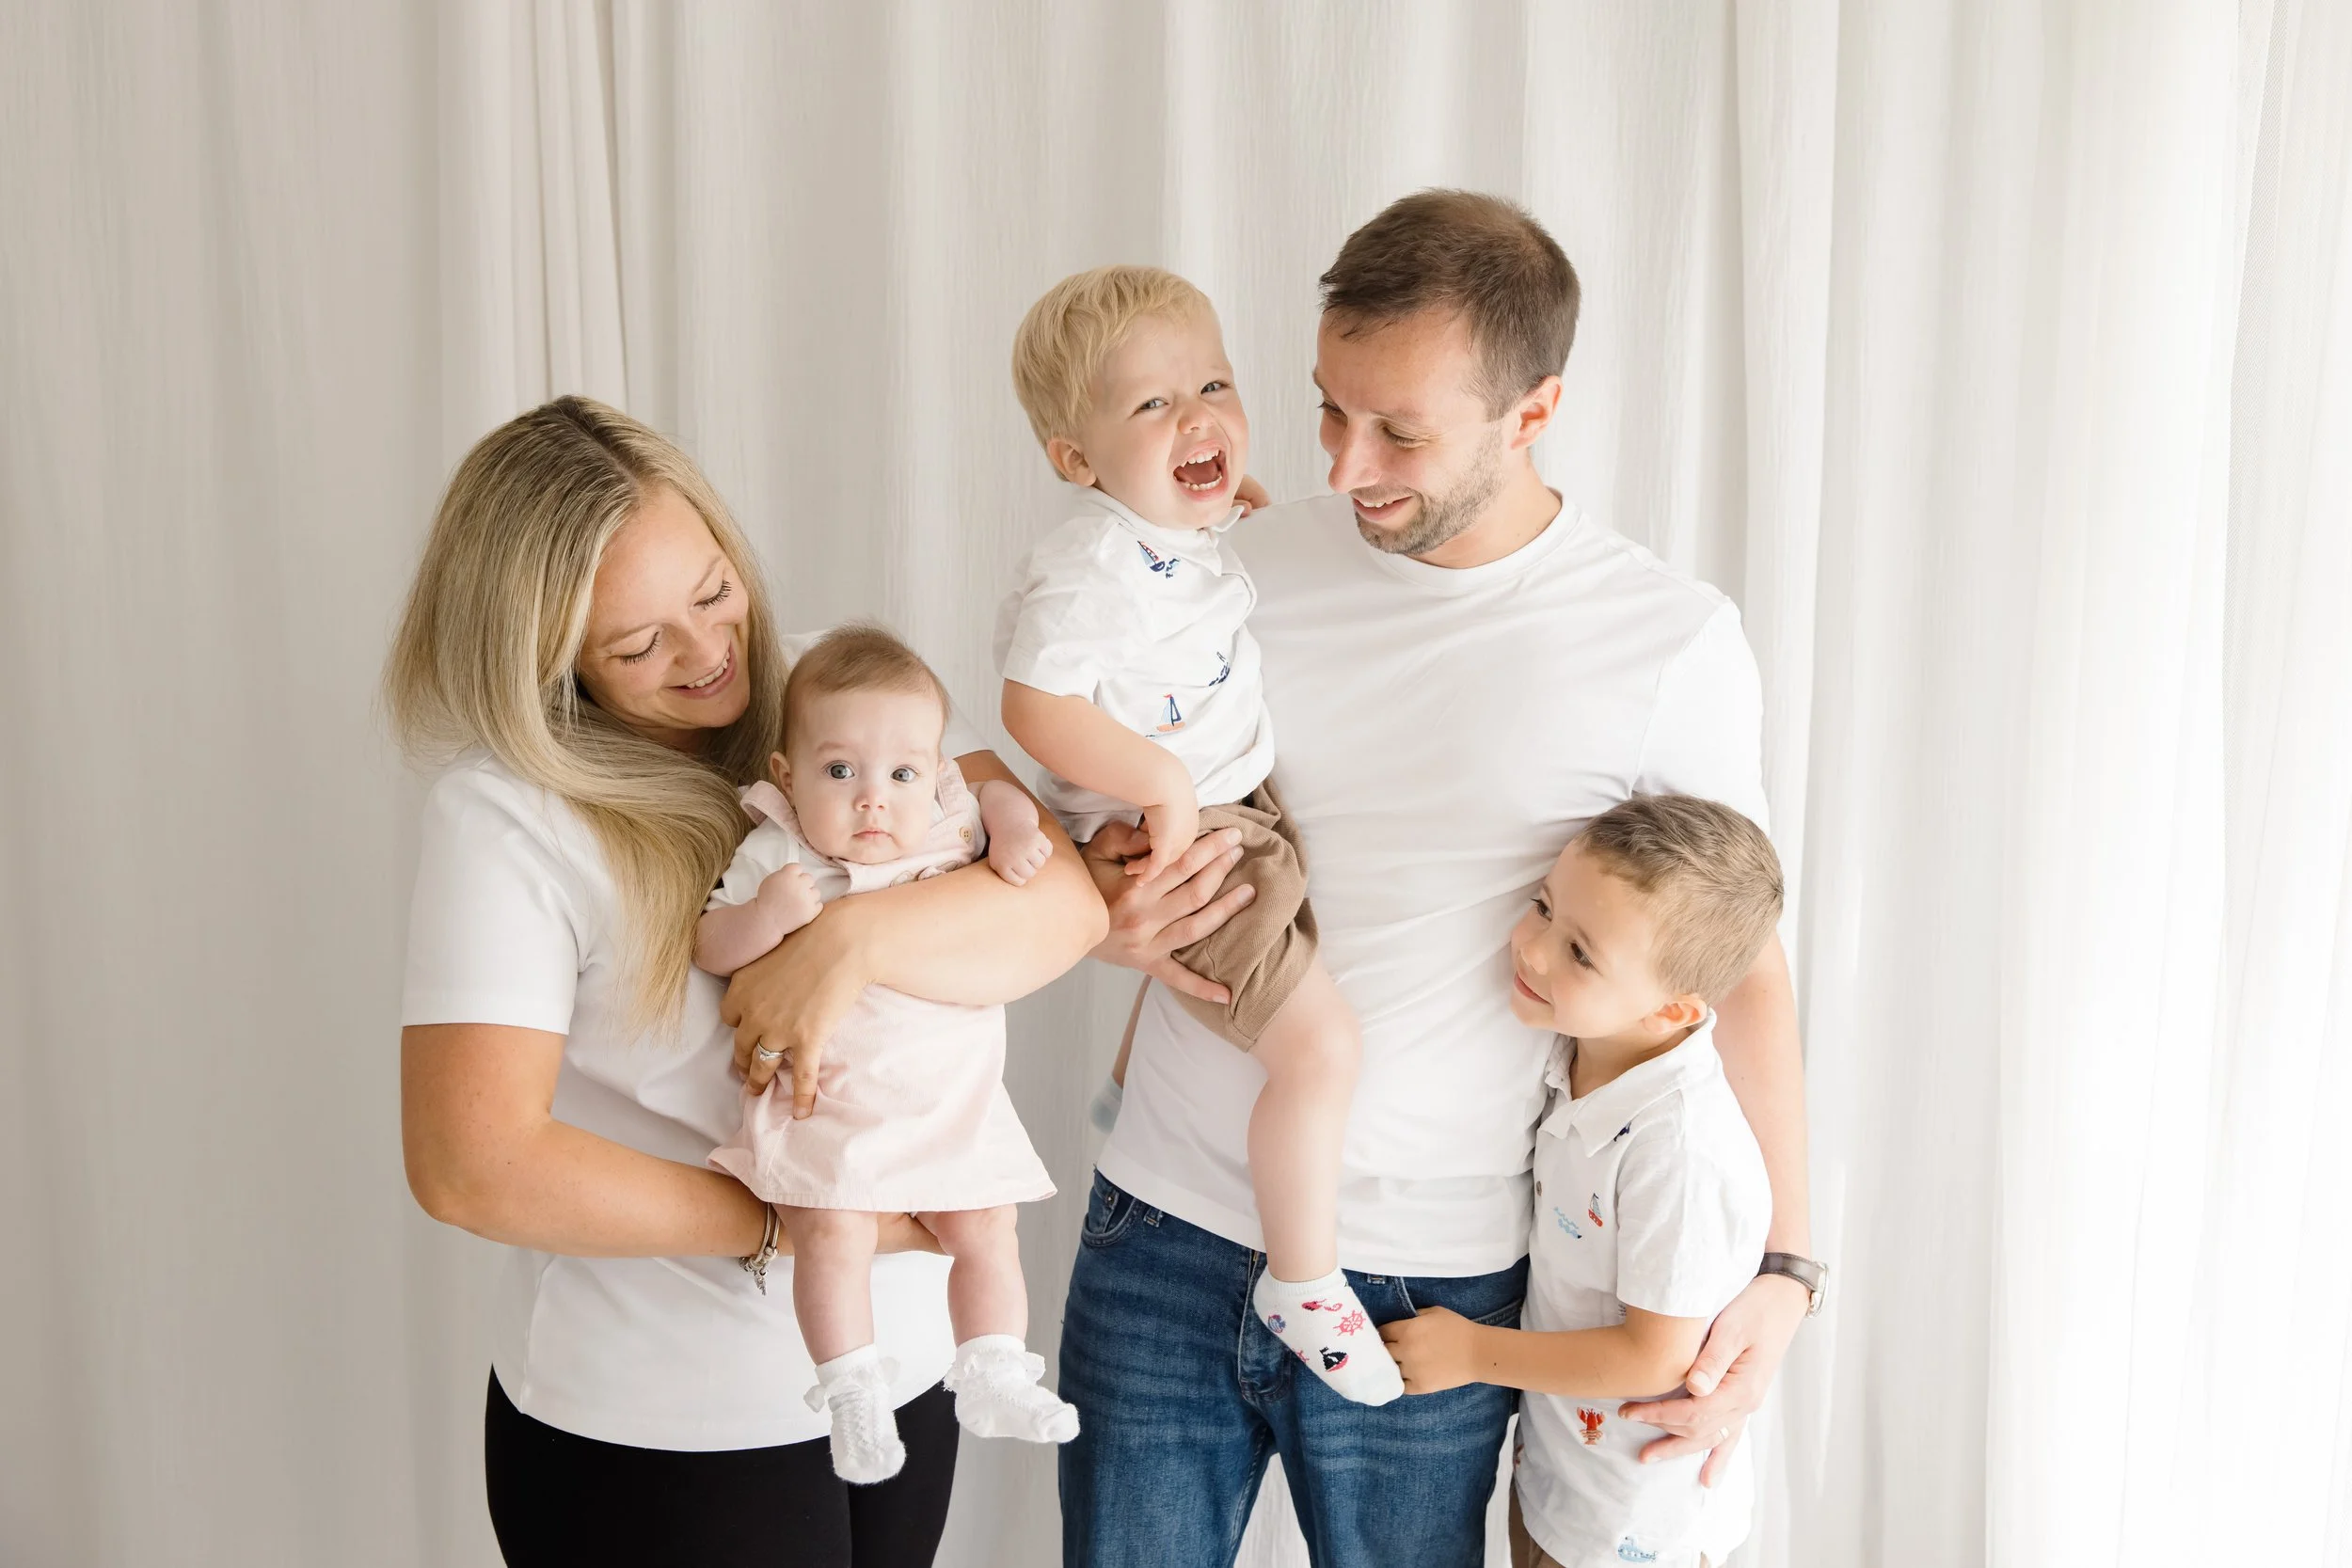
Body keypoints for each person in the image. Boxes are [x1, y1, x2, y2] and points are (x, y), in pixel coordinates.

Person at [1059, 190, 1823, 1568]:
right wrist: (1108, 895)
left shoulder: (1666, 643)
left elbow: (1742, 967)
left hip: (1436, 1268)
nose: (1347, 468)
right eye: (1327, 410)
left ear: (1534, 410)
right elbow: (1127, 806)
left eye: (1401, 430)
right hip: (1162, 1221)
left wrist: (1786, 1268)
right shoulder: (1235, 566)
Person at [388, 397, 1104, 1568]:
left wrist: (846, 947)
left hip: (907, 1366)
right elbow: (471, 1162)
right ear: (548, 656)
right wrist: (806, 1221)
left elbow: (1062, 908)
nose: (708, 652)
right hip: (663, 1429)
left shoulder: (840, 695)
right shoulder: (507, 815)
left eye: (712, 591)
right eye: (636, 644)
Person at [995, 265, 1401, 1404]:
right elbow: (1035, 701)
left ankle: (1128, 1085)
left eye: (1212, 383)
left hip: (1226, 799)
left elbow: (1190, 563)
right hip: (1184, 817)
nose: (1197, 417)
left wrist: (1233, 511)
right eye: (1150, 405)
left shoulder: (1171, 526)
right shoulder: (1089, 566)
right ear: (1075, 459)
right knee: (1320, 1049)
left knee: (1231, 956)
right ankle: (1304, 1276)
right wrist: (1161, 785)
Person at [698, 624, 1075, 1482]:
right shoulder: (780, 849)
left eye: (902, 774)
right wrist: (766, 918)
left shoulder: (950, 820)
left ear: (937, 774)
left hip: (948, 1100)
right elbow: (710, 942)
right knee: (832, 1232)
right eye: (841, 772)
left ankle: (992, 1367)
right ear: (788, 778)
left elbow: (1005, 803)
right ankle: (850, 1389)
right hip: (832, 1104)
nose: (875, 800)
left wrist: (1015, 826)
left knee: (988, 1227)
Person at [1381, 795, 1781, 1568]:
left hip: (1633, 1527)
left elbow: (1657, 1356)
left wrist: (1472, 1353)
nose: (1531, 950)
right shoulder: (1578, 1058)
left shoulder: (1681, 1146)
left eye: (1580, 953)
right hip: (1562, 1485)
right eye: (1542, 908)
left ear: (1673, 1008)